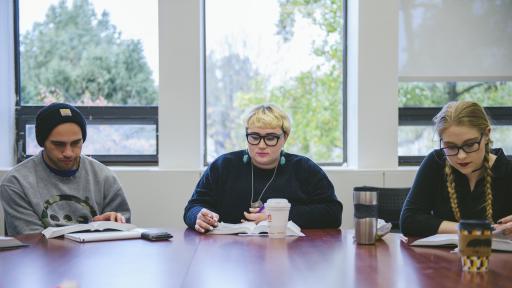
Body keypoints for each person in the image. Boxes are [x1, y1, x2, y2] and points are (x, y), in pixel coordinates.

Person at [184, 104, 342, 233]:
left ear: (284, 138)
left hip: (290, 253)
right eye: (254, 137)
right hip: (231, 255)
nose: (261, 145)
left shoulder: (305, 169)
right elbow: (193, 207)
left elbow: (333, 214)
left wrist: (279, 216)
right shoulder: (223, 166)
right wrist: (198, 216)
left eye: (271, 138)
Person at [0, 103, 131, 236]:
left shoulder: (104, 177)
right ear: (42, 142)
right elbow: (33, 243)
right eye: (58, 144)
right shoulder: (16, 183)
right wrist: (91, 229)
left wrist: (111, 226)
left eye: (76, 143)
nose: (68, 152)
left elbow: (122, 236)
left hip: (96, 256)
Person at [400, 101, 512, 237]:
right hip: (444, 257)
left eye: (470, 145)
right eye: (451, 147)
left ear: (487, 134)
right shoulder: (435, 163)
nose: (461, 156)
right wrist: (476, 230)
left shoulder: (507, 170)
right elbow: (409, 220)